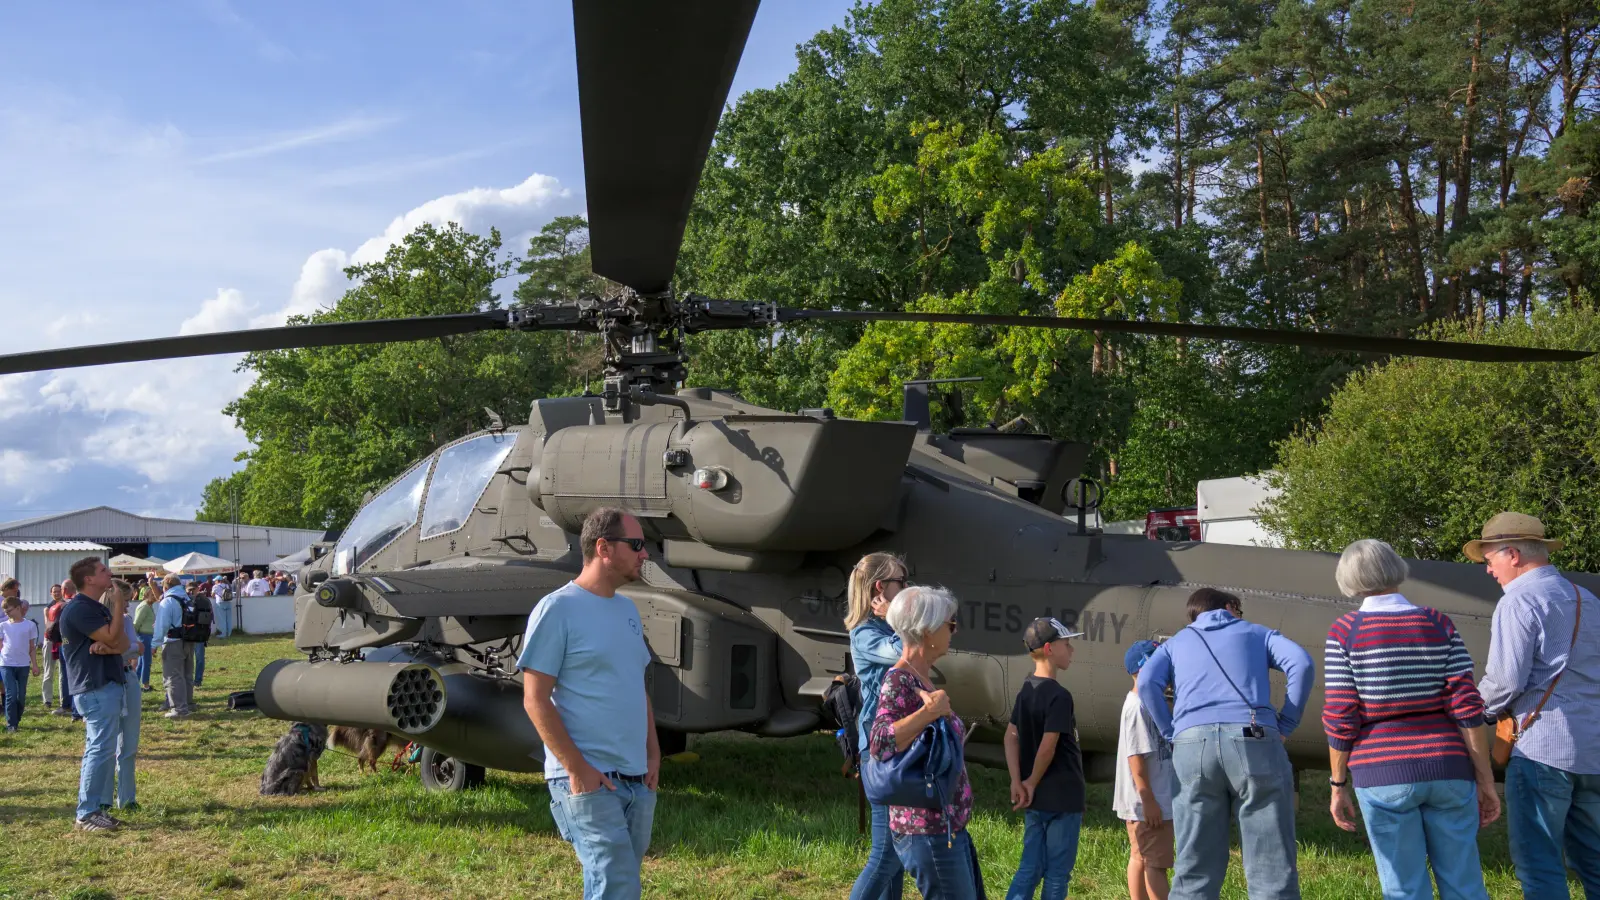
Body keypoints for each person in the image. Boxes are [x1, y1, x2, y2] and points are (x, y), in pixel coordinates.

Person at [1322, 539, 1498, 900]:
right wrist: (1485, 779)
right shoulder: (1436, 622)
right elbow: (1467, 706)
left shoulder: (1345, 631)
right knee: (1465, 883)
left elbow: (1341, 716)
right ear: (1395, 568)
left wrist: (1338, 785)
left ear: (1348, 577)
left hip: (1383, 771)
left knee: (1404, 887)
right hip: (1448, 766)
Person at [1136, 588, 1314, 900]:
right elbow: (1301, 663)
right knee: (1271, 867)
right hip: (1253, 739)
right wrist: (1286, 723)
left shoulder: (1176, 643)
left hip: (1192, 744)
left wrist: (1171, 732)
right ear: (1231, 606)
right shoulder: (1257, 633)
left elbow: (1147, 682)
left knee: (1194, 867)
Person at [519, 507, 660, 900]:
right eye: (636, 545)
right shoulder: (558, 609)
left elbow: (636, 688)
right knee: (617, 887)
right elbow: (534, 698)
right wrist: (577, 769)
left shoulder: (628, 610)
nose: (645, 554)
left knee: (615, 887)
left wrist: (653, 754)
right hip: (587, 780)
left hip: (636, 780)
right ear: (604, 548)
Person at [1467, 513, 1600, 898]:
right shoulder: (1588, 600)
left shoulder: (1518, 601)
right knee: (1595, 861)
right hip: (1593, 749)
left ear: (1512, 554)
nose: (1488, 569)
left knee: (1539, 865)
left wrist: (1470, 714)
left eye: (1489, 558)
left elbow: (1505, 681)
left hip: (1543, 750)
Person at [869, 585, 978, 900]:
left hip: (944, 826)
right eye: (950, 624)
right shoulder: (899, 680)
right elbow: (880, 742)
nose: (954, 631)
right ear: (928, 630)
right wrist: (928, 713)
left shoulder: (920, 678)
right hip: (927, 831)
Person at [1004, 617, 1087, 900]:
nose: (1071, 650)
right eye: (1067, 644)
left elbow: (1010, 736)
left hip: (1035, 798)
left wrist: (1018, 781)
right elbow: (1048, 746)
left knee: (1029, 867)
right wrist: (1030, 782)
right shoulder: (1059, 696)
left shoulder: (1026, 690)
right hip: (1063, 797)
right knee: (1057, 874)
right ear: (1050, 649)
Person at [845, 551, 908, 900]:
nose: (907, 587)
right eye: (902, 580)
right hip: (880, 748)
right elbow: (904, 653)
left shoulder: (884, 628)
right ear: (881, 587)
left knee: (895, 857)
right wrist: (899, 620)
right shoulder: (866, 634)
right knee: (886, 854)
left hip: (897, 743)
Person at [58, 557, 128, 832]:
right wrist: (119, 604)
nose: (109, 572)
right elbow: (112, 637)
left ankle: (92, 809)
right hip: (95, 687)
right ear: (89, 579)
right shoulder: (80, 609)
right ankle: (87, 813)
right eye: (102, 570)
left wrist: (110, 646)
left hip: (103, 685)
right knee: (100, 749)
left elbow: (122, 642)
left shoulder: (95, 607)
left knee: (100, 749)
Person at [1117, 639, 1176, 900]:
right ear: (1145, 670)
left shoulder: (1145, 704)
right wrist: (1149, 801)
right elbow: (1136, 757)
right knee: (1156, 865)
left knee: (1140, 857)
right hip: (1151, 804)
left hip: (1147, 802)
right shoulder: (1139, 707)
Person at [96, 579, 142, 812]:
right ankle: (103, 799)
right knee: (106, 745)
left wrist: (113, 649)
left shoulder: (126, 620)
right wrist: (124, 648)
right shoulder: (97, 622)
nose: (128, 605)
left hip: (128, 678)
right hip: (106, 681)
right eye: (125, 600)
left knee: (129, 743)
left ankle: (127, 798)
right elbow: (130, 647)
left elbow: (137, 649)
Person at [151, 574, 194, 718]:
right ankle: (188, 703)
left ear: (165, 586)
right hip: (189, 641)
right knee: (186, 675)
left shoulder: (168, 601)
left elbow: (162, 625)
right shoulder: (186, 598)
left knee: (173, 676)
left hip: (172, 642)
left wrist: (154, 644)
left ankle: (179, 709)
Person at [2, 591, 43, 732]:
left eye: (9, 610)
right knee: (11, 695)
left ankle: (16, 719)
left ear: (18, 608)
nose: (7, 613)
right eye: (5, 611)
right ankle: (11, 725)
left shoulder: (30, 625)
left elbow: (32, 648)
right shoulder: (3, 626)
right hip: (6, 664)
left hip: (23, 664)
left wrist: (35, 665)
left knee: (21, 697)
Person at [41, 584, 70, 715]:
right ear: (51, 593)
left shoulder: (66, 605)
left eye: (59, 591)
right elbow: (48, 625)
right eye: (54, 592)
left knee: (63, 672)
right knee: (49, 670)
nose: (57, 593)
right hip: (50, 639)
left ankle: (63, 700)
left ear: (62, 592)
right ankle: (47, 699)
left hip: (62, 641)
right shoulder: (48, 608)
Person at [133, 584, 157, 691]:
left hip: (146, 636)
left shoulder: (149, 606)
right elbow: (136, 623)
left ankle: (136, 684)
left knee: (142, 662)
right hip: (144, 637)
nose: (155, 597)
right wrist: (135, 638)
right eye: (152, 595)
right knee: (146, 662)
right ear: (147, 595)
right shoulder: (144, 607)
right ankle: (146, 686)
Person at [188, 580, 212, 687]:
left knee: (189, 658)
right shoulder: (205, 600)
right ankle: (197, 680)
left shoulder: (186, 600)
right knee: (199, 658)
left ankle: (191, 680)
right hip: (201, 633)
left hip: (189, 632)